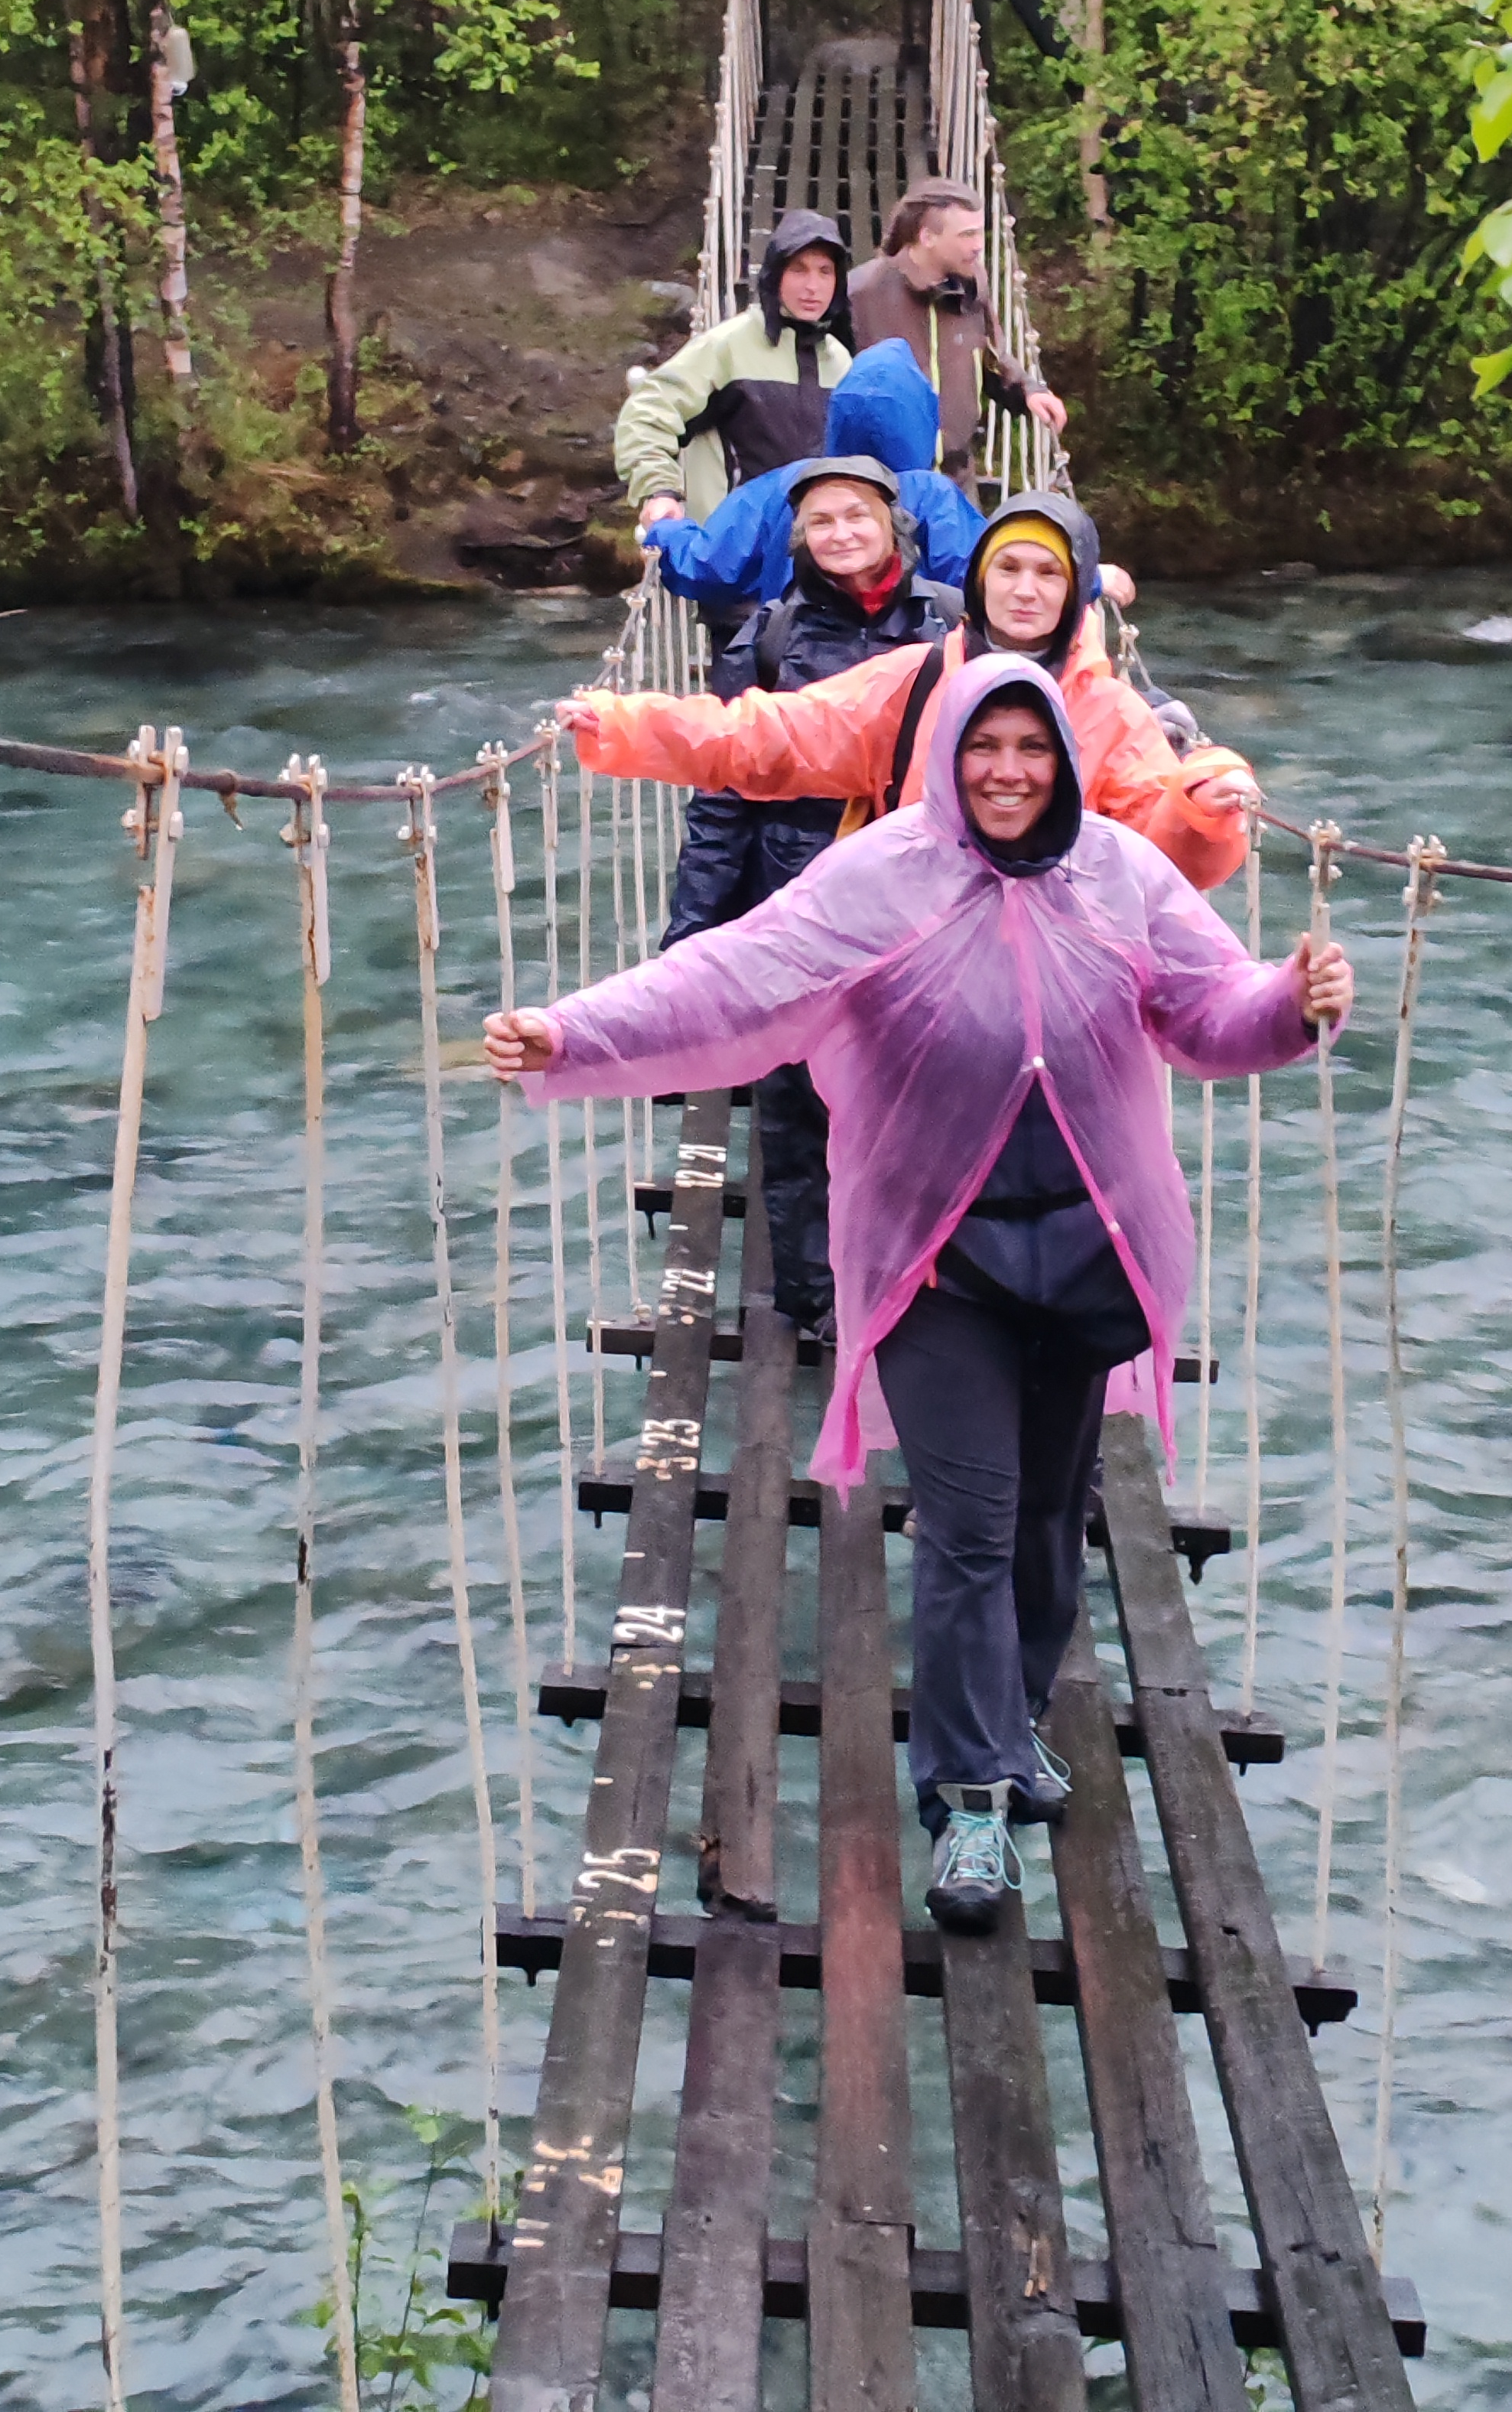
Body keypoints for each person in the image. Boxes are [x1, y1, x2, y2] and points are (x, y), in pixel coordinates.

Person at [486, 656, 1352, 1932]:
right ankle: (966, 1798)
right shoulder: (880, 873)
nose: (1007, 769)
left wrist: (1290, 1004)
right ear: (946, 752)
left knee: (1053, 1520)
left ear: (1063, 755)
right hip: (936, 1260)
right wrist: (572, 1031)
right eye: (983, 745)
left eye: (1032, 746)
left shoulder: (1120, 871)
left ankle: (1007, 1719)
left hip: (1087, 1249)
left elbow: (1209, 1009)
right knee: (969, 1523)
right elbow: (729, 975)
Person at [558, 489, 1257, 894]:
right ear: (978, 578)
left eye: (1048, 574)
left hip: (1062, 985)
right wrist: (624, 726)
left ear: (1077, 590)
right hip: (919, 965)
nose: (1023, 590)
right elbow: (773, 736)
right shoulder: (919, 679)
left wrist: (1202, 809)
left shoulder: (1111, 712)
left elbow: (1166, 858)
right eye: (1007, 567)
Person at [660, 453, 961, 1333]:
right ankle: (818, 1295)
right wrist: (691, 938)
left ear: (892, 524)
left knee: (916, 1088)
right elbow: (719, 788)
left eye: (856, 516)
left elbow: (1043, 711)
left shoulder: (952, 626)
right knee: (797, 1105)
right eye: (821, 522)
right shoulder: (768, 635)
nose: (841, 535)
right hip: (797, 900)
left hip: (919, 903)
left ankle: (913, 1268)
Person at [639, 334, 1142, 623]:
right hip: (905, 690)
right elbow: (986, 579)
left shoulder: (790, 486)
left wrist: (664, 531)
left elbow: (710, 567)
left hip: (797, 679)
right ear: (923, 419)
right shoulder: (932, 497)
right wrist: (1093, 580)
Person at [615, 207, 854, 535]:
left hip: (815, 559)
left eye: (825, 272)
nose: (813, 286)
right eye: (799, 270)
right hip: (731, 557)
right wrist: (660, 490)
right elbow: (647, 412)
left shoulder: (841, 362)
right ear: (775, 275)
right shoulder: (728, 346)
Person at [847, 179, 1066, 492]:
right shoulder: (862, 293)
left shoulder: (972, 284)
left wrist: (1028, 390)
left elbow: (990, 355)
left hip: (956, 485)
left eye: (980, 232)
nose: (979, 245)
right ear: (927, 237)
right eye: (967, 235)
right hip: (883, 485)